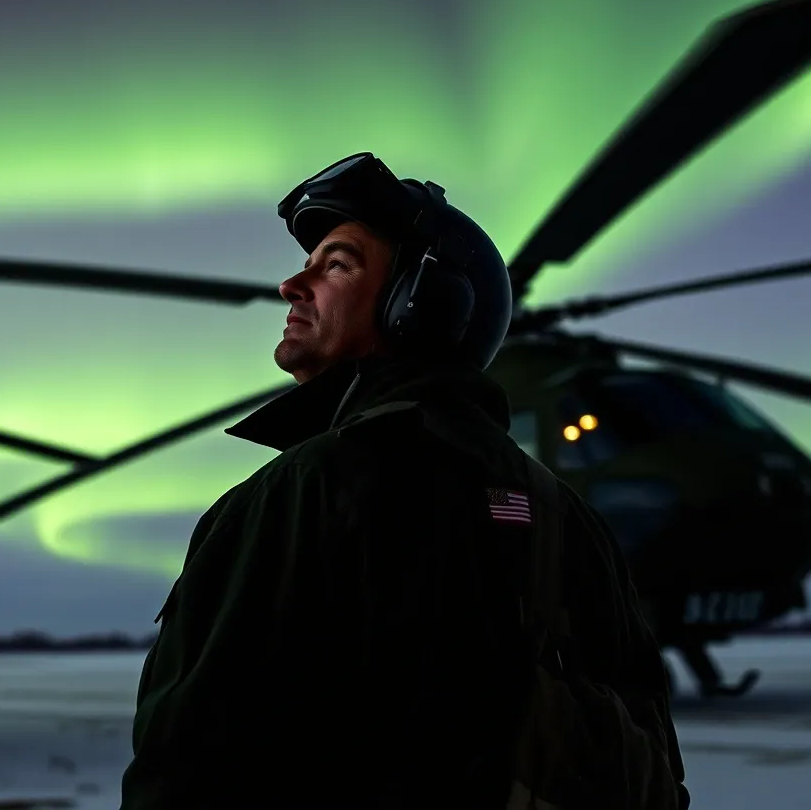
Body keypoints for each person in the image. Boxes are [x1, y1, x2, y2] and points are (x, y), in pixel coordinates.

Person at [119, 153, 687, 808]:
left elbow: (190, 762)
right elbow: (654, 756)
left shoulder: (303, 491)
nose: (292, 286)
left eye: (335, 264)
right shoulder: (567, 513)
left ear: (420, 303)